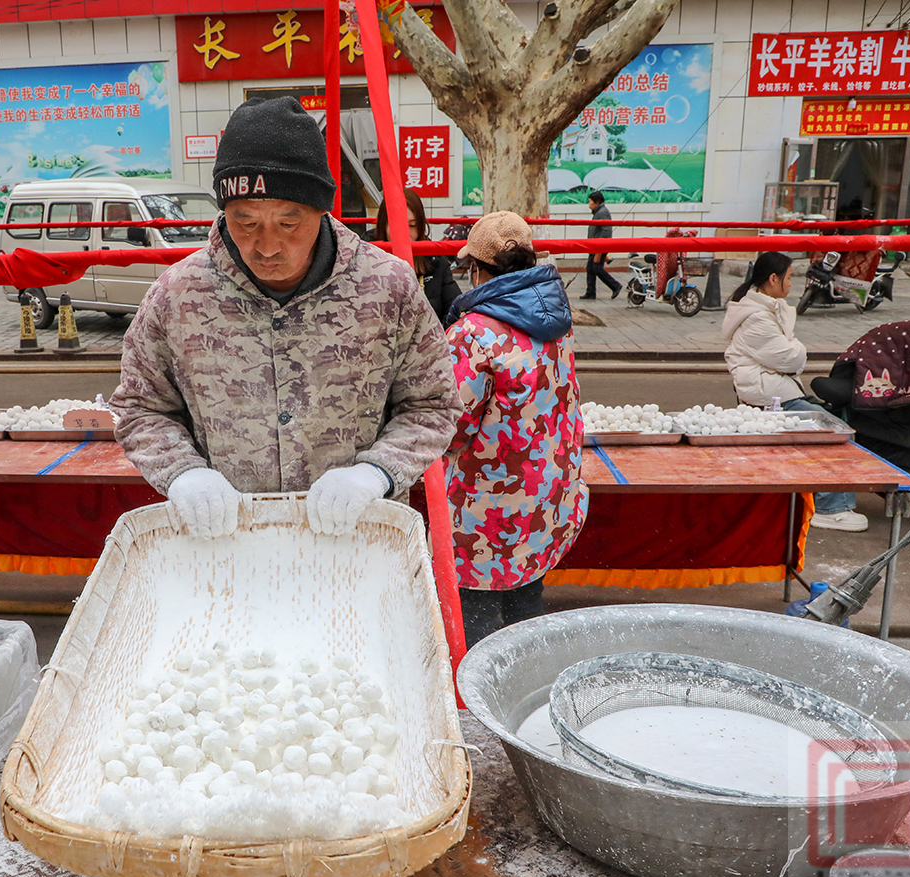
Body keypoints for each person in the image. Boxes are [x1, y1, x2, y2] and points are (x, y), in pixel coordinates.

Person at [110, 97, 461, 539]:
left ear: (321, 209)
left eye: (290, 223)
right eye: (245, 222)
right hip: (226, 545)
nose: (267, 246)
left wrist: (376, 473)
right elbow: (141, 408)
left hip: (354, 545)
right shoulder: (177, 295)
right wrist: (183, 474)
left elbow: (433, 404)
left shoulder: (388, 287)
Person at [442, 211, 588, 644]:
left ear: (478, 270)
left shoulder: (473, 334)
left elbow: (450, 425)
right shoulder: (556, 320)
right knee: (526, 605)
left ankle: (475, 705)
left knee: (476, 627)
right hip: (544, 496)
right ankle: (523, 687)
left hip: (486, 510)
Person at [724, 252, 869, 532]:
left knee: (834, 419)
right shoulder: (757, 318)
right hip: (772, 400)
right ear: (773, 279)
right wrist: (797, 347)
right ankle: (830, 508)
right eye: (789, 277)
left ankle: (825, 497)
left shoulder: (766, 310)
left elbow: (787, 355)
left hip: (777, 392)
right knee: (834, 431)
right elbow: (792, 358)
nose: (792, 284)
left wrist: (792, 348)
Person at [373, 189, 460, 322]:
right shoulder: (365, 263)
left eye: (412, 225)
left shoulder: (435, 262)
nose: (405, 233)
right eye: (397, 225)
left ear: (421, 227)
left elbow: (454, 311)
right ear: (383, 226)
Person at [581, 191, 621, 300]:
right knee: (590, 269)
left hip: (599, 246)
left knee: (597, 268)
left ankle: (615, 285)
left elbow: (606, 231)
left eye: (590, 202)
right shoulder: (598, 212)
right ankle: (590, 292)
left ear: (597, 202)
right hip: (594, 246)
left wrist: (599, 249)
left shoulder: (602, 213)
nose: (589, 204)